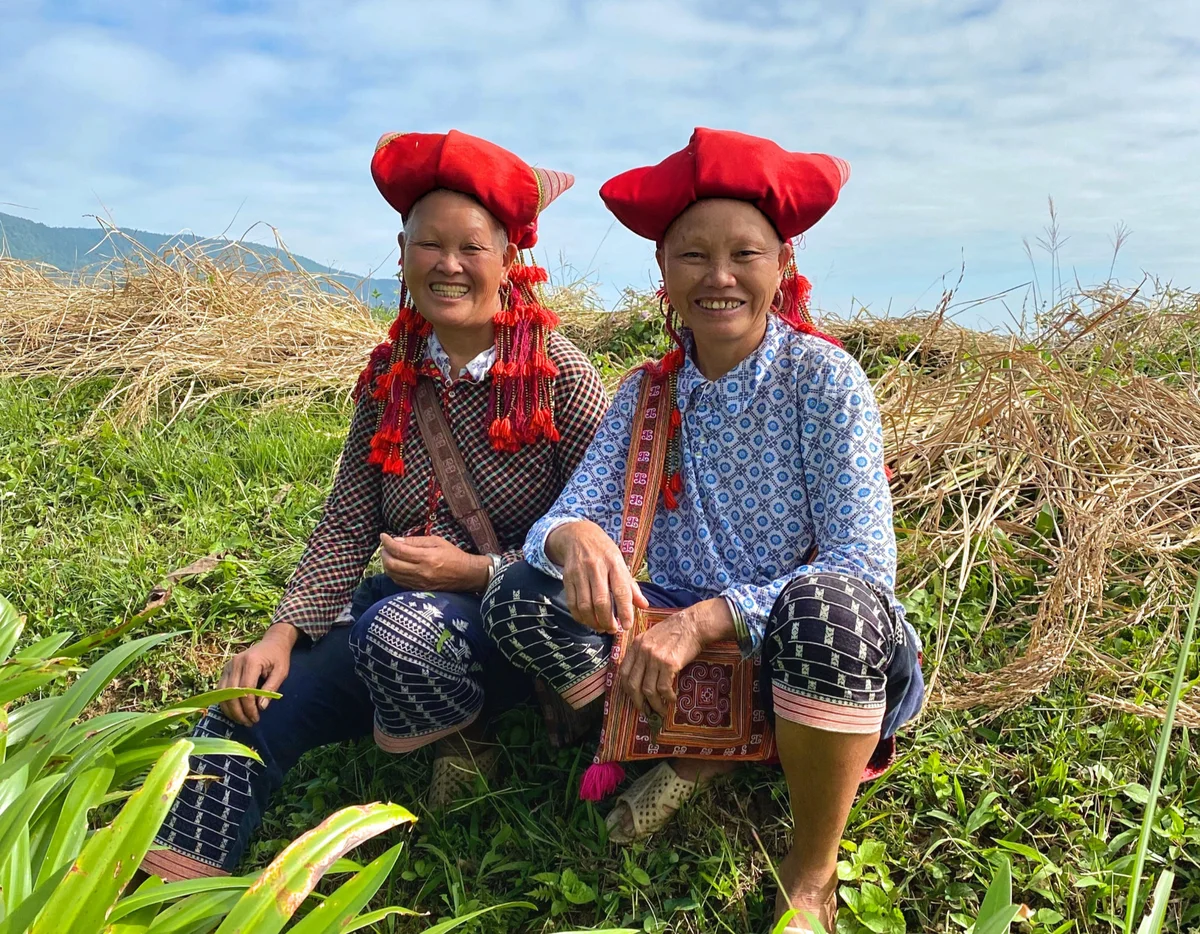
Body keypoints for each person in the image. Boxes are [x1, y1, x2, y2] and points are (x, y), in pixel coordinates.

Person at [483, 128, 923, 932]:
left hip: (783, 636)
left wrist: (705, 621)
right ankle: (682, 736)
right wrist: (572, 538)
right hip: (659, 623)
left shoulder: (826, 381)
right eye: (692, 256)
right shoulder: (643, 394)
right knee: (518, 593)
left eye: (744, 254)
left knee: (835, 611)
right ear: (662, 274)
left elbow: (864, 565)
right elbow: (561, 516)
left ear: (782, 265)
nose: (719, 277)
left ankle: (810, 867)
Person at [141, 130, 608, 881]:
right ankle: (167, 895)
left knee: (401, 631)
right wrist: (282, 632)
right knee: (243, 712)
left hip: (517, 621)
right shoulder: (391, 374)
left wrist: (479, 572)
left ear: (510, 258)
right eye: (428, 244)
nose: (447, 265)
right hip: (398, 610)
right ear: (401, 252)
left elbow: (609, 531)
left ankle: (473, 740)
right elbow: (350, 518)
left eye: (471, 247)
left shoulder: (560, 376)